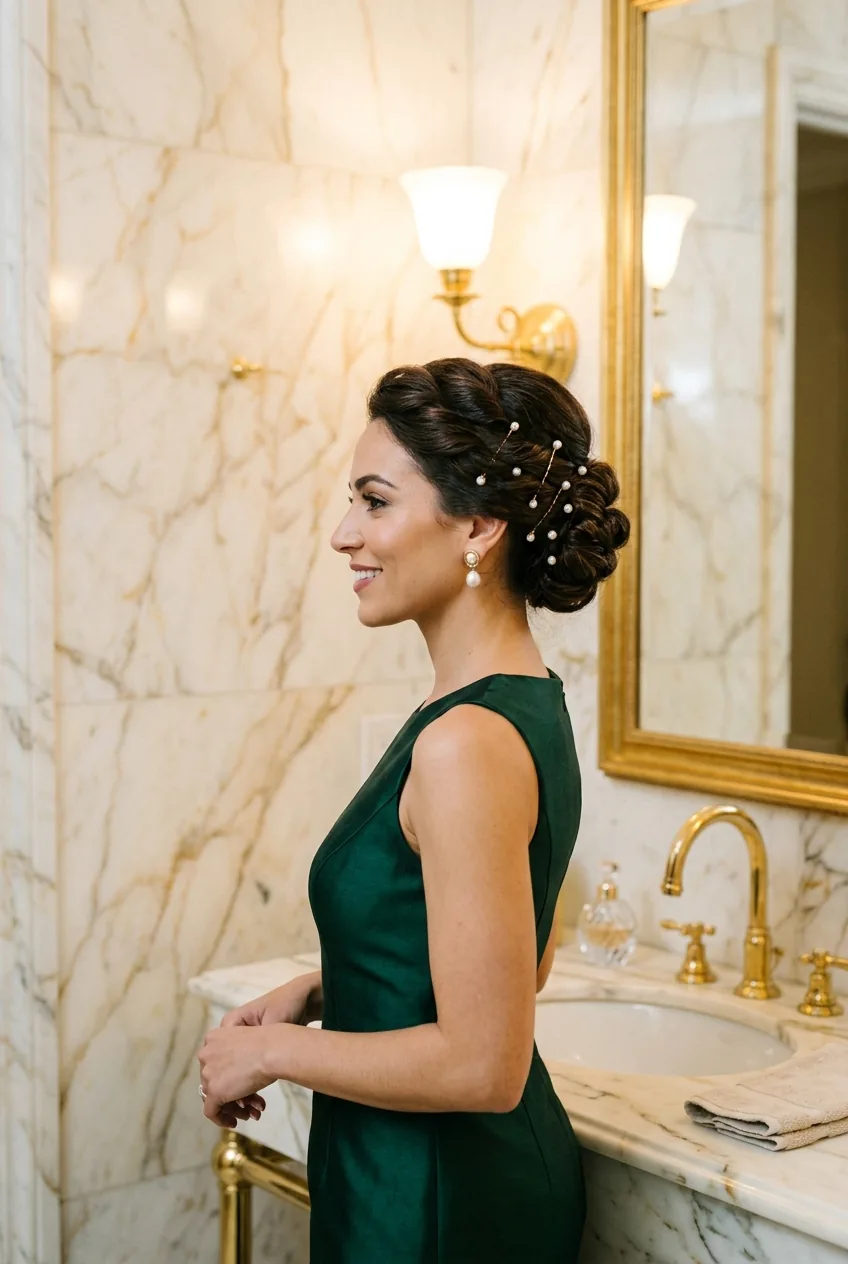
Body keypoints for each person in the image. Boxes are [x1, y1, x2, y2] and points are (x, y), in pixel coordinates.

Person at [197, 357, 630, 1262]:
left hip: (441, 1201)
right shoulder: (512, 702)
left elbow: (484, 1064)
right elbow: (516, 960)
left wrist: (270, 1056)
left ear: (478, 524)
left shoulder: (464, 742)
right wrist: (321, 991)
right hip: (410, 1175)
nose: (343, 534)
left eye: (375, 501)